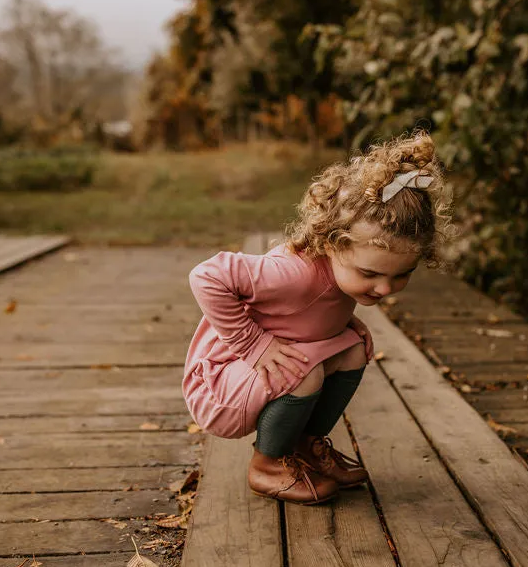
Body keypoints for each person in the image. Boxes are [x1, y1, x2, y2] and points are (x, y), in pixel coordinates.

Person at [182, 131, 453, 505]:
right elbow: (207, 276)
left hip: (258, 373)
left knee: (354, 349)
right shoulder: (292, 273)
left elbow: (312, 310)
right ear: (332, 244)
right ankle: (267, 464)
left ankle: (305, 449)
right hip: (220, 383)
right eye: (371, 274)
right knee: (303, 370)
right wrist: (254, 345)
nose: (386, 289)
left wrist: (344, 324)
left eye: (401, 275)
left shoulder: (343, 269)